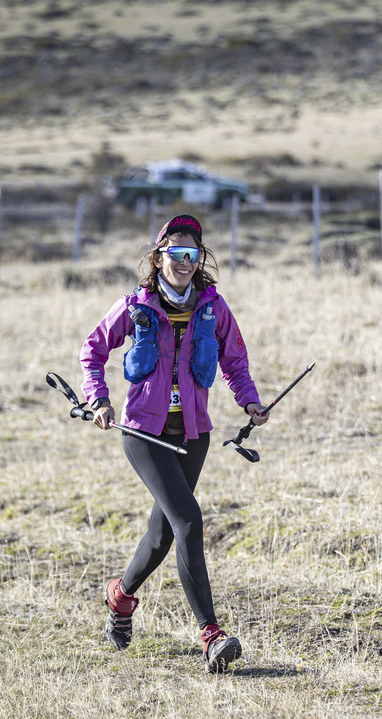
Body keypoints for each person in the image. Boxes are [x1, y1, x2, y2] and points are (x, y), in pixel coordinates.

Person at [80, 214, 269, 673]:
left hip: (194, 433)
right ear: (158, 256)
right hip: (144, 434)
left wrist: (250, 402)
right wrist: (98, 399)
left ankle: (120, 596)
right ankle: (211, 634)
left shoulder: (213, 307)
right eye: (176, 252)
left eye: (193, 253)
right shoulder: (135, 306)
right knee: (189, 521)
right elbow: (93, 350)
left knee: (163, 533)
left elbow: (235, 362)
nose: (185, 261)